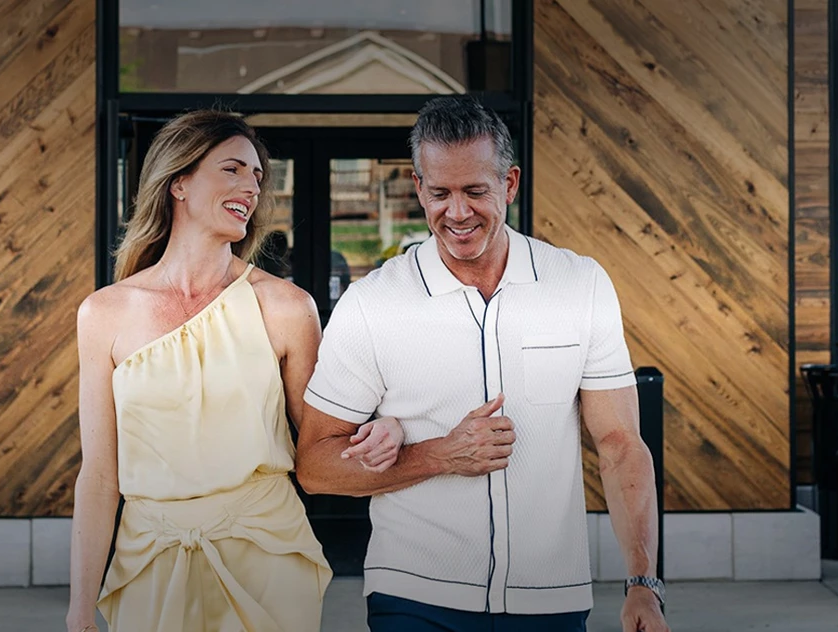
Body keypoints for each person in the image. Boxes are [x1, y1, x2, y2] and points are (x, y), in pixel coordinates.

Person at [295, 97, 671, 632]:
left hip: (551, 598)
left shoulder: (579, 284)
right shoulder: (371, 303)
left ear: (510, 184)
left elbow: (619, 445)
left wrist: (644, 583)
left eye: (476, 191)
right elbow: (314, 466)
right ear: (418, 187)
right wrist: (442, 455)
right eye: (441, 193)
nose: (458, 212)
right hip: (413, 595)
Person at [66, 110, 406, 632]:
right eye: (233, 169)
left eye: (257, 175)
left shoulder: (287, 307)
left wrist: (388, 426)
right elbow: (98, 477)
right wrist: (78, 608)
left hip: (266, 557)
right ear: (178, 182)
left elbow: (324, 439)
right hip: (149, 561)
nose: (251, 186)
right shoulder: (103, 313)